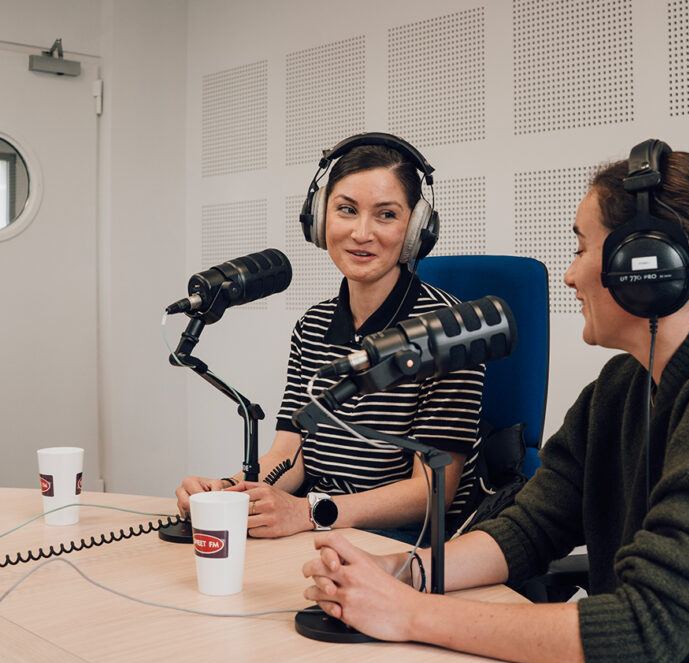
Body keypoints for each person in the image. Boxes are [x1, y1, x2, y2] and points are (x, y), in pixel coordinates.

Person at [300, 140, 689, 663]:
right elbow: (532, 525)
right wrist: (407, 574)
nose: (571, 275)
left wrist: (410, 614)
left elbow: (645, 630)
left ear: (644, 265)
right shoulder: (623, 385)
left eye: (582, 248)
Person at [176, 133, 484, 543]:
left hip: (403, 545)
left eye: (386, 215)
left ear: (416, 230)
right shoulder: (312, 325)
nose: (361, 232)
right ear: (320, 219)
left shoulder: (449, 329)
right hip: (317, 530)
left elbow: (431, 493)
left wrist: (309, 511)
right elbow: (289, 456)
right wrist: (224, 493)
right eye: (346, 210)